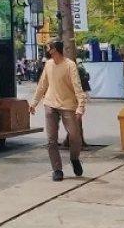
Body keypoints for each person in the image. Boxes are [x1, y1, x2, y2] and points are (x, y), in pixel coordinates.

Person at [29, 41, 88, 182]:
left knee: (75, 136)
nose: (46, 50)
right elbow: (42, 85)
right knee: (51, 140)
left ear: (54, 50)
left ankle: (74, 158)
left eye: (48, 48)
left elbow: (77, 87)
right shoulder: (48, 64)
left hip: (68, 105)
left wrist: (80, 106)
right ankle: (57, 169)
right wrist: (34, 103)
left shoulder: (70, 65)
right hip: (50, 104)